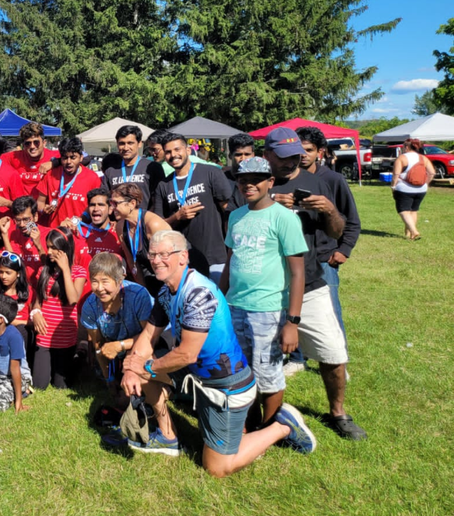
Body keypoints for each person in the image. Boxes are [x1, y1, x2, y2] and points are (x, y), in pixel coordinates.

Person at [120, 230, 316, 478]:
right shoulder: (165, 291)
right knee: (142, 370)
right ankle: (168, 438)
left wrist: (145, 368)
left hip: (225, 386)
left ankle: (282, 426)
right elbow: (148, 335)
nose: (156, 260)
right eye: (152, 255)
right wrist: (131, 368)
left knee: (217, 468)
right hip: (198, 375)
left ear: (183, 257)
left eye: (163, 254)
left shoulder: (198, 293)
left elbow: (186, 355)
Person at [261, 127, 366, 440]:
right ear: (267, 155)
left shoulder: (318, 182)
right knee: (259, 356)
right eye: (283, 157)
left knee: (332, 352)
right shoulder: (257, 182)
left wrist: (329, 210)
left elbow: (336, 230)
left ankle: (338, 412)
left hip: (309, 282)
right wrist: (268, 201)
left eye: (296, 154)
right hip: (265, 286)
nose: (292, 161)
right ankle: (262, 415)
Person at [220, 157, 307, 426]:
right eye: (243, 180)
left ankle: (271, 428)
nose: (249, 185)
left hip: (267, 310)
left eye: (256, 180)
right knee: (241, 370)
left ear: (270, 182)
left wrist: (292, 322)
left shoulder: (284, 218)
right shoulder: (235, 216)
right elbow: (229, 263)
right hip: (235, 306)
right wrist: (220, 302)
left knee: (268, 374)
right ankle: (249, 420)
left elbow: (298, 273)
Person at [297, 126, 361, 337]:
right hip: (293, 256)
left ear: (319, 152)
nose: (302, 155)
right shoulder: (287, 179)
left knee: (329, 312)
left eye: (308, 150)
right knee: (295, 309)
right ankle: (299, 357)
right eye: (299, 149)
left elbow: (352, 220)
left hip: (324, 258)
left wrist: (344, 249)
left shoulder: (333, 180)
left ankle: (338, 362)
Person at [153, 132, 232, 283]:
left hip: (215, 257)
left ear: (188, 150)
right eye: (168, 152)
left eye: (177, 150)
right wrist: (177, 217)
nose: (173, 155)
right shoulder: (163, 186)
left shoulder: (211, 173)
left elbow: (228, 210)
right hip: (183, 260)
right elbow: (158, 225)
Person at [80, 253, 154, 400]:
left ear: (120, 279)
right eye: (94, 281)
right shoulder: (89, 306)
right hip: (117, 353)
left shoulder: (138, 296)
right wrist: (109, 379)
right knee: (121, 399)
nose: (99, 288)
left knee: (132, 395)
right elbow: (98, 345)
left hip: (146, 346)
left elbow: (150, 335)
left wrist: (120, 345)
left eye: (105, 281)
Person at [32, 227, 88, 389]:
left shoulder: (78, 272)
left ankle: (80, 354)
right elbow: (37, 300)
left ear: (65, 249)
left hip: (65, 337)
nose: (49, 251)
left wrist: (65, 269)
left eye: (54, 248)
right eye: (48, 247)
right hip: (44, 335)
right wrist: (35, 312)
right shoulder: (44, 271)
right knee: (39, 385)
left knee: (61, 386)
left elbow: (72, 300)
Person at [109, 183, 171, 296]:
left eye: (116, 203)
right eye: (111, 202)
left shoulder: (153, 225)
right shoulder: (120, 226)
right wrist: (145, 293)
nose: (112, 207)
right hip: (155, 277)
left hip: (175, 276)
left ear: (132, 203)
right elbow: (133, 263)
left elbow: (171, 261)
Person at [36, 136, 101, 227]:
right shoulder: (50, 175)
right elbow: (40, 202)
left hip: (80, 231)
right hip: (56, 233)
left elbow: (96, 206)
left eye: (73, 157)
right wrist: (43, 209)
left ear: (81, 158)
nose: (68, 162)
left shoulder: (92, 178)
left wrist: (82, 219)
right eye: (65, 158)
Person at [100, 125, 166, 207]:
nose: (126, 148)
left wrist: (146, 218)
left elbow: (158, 201)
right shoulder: (110, 171)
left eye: (130, 143)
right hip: (118, 219)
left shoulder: (152, 167)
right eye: (122, 143)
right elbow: (104, 199)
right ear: (117, 144)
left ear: (139, 144)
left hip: (143, 218)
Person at [62, 188, 125, 264]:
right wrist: (61, 231)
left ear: (110, 209)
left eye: (101, 205)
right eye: (92, 205)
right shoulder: (76, 232)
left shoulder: (118, 234)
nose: (96, 209)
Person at [0, 251, 33, 345]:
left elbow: (32, 320)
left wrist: (15, 322)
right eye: (1, 272)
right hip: (0, 330)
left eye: (8, 273)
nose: (3, 276)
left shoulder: (29, 292)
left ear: (18, 273)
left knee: (20, 331)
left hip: (22, 331)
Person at [0, 121, 58, 199]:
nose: (32, 146)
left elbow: (77, 159)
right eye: (28, 143)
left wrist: (54, 162)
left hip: (46, 207)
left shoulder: (55, 155)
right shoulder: (15, 156)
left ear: (44, 143)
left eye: (36, 142)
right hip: (24, 207)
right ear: (23, 145)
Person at [0, 196, 50, 284]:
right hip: (22, 290)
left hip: (42, 289)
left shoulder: (49, 235)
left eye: (26, 219)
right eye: (18, 220)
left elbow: (50, 268)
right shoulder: (12, 234)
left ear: (35, 217)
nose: (22, 224)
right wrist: (4, 234)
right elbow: (12, 264)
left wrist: (39, 246)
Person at [391, 138, 434, 240]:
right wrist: (426, 183)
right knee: (413, 211)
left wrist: (393, 186)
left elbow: (396, 174)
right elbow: (431, 172)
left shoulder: (402, 158)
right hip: (421, 189)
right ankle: (408, 233)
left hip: (404, 189)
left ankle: (414, 231)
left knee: (403, 210)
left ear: (406, 147)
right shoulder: (423, 158)